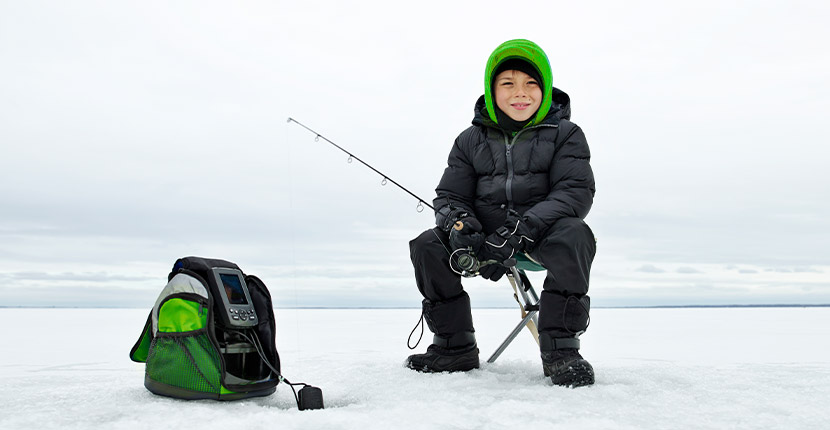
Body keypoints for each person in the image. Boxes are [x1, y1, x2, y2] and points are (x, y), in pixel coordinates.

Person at [405, 39, 597, 387]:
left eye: (531, 84)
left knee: (575, 234)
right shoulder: (468, 139)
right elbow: (449, 195)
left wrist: (521, 230)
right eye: (507, 83)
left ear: (546, 88)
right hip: (482, 239)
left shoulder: (567, 135)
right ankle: (454, 347)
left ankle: (561, 351)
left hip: (540, 237)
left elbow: (574, 192)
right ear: (492, 90)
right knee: (427, 244)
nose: (519, 93)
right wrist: (461, 226)